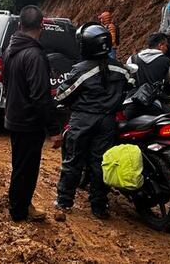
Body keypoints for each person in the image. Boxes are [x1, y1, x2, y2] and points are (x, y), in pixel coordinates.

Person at [53, 23, 129, 219]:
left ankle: (64, 201)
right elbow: (131, 88)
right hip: (108, 122)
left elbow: (62, 95)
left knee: (73, 160)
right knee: (99, 163)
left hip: (83, 120)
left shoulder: (81, 71)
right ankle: (99, 207)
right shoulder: (121, 69)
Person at [3, 5, 63, 222]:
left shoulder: (10, 50)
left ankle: (22, 204)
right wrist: (54, 130)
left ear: (20, 26)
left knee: (21, 167)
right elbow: (40, 96)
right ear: (42, 26)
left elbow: (7, 84)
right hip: (29, 123)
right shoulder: (35, 56)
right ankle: (19, 212)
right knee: (26, 169)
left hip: (14, 117)